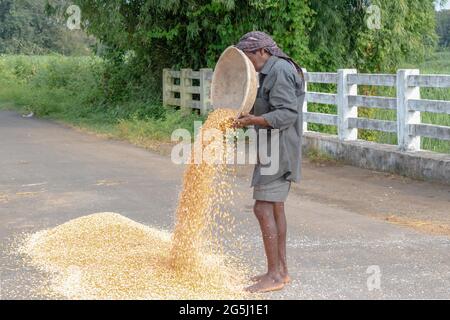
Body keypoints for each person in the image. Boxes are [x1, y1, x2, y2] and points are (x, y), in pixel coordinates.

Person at [233, 31, 305, 293]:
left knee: (262, 208)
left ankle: (274, 276)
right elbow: (269, 107)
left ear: (263, 51)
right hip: (271, 147)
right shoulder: (268, 71)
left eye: (249, 56)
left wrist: (252, 120)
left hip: (279, 148)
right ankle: (280, 271)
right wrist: (248, 116)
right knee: (274, 208)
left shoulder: (279, 71)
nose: (249, 63)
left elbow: (286, 113)